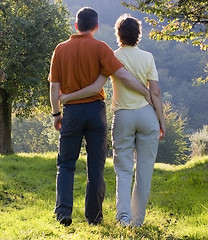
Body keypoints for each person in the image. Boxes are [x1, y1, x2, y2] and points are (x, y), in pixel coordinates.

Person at [48, 7, 152, 227]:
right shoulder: (101, 48)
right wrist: (146, 91)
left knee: (66, 163)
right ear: (96, 26)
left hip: (72, 113)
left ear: (76, 25)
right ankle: (93, 217)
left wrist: (56, 112)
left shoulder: (60, 49)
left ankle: (63, 213)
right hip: (96, 111)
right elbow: (123, 75)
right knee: (95, 165)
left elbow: (54, 87)